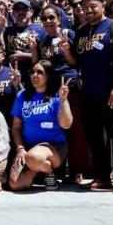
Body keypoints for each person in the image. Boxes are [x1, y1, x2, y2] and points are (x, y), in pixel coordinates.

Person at [66, 0, 113, 193]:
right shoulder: (81, 32)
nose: (88, 10)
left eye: (93, 6)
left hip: (111, 93)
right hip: (89, 94)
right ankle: (102, 177)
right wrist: (66, 51)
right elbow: (76, 62)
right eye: (85, 7)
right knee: (95, 137)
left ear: (103, 5)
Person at [8, 62, 73, 192]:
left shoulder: (56, 96)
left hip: (55, 147)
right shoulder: (22, 95)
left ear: (48, 75)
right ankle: (42, 168)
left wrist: (63, 100)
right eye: (32, 72)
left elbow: (66, 125)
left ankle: (49, 172)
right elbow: (16, 127)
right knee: (15, 184)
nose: (34, 75)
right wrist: (20, 149)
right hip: (29, 149)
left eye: (39, 72)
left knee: (34, 157)